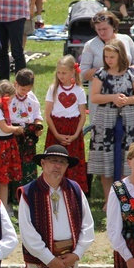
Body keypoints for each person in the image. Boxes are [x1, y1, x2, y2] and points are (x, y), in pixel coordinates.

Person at [88, 40, 134, 204]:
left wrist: (127, 100)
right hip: (105, 118)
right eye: (106, 57)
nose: (108, 60)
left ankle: (124, 198)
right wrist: (112, 98)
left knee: (127, 158)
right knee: (106, 160)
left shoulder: (131, 73)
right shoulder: (101, 73)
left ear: (120, 56)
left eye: (112, 57)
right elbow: (94, 97)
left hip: (128, 117)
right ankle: (109, 199)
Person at [79, 11, 134, 121]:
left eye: (105, 29)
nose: (102, 32)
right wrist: (107, 71)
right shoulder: (90, 45)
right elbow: (84, 72)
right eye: (99, 29)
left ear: (113, 26)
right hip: (101, 96)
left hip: (125, 94)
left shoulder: (126, 39)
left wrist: (125, 71)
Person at [44, 55, 88, 192]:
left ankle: (72, 191)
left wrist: (75, 135)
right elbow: (47, 114)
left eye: (64, 73)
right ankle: (52, 187)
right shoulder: (53, 89)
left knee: (72, 161)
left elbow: (82, 115)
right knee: (54, 160)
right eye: (58, 72)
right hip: (56, 127)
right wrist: (56, 134)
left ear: (72, 72)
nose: (61, 76)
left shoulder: (79, 91)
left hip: (73, 129)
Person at [0, 79, 24, 208]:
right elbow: (5, 128)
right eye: (11, 99)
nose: (11, 102)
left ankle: (3, 208)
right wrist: (17, 129)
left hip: (7, 145)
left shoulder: (3, 108)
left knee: (4, 181)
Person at [11, 68, 45, 191]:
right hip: (14, 133)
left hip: (29, 136)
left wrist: (38, 125)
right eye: (22, 89)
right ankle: (13, 194)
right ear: (16, 84)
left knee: (29, 163)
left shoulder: (31, 98)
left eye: (28, 90)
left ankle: (28, 191)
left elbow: (37, 114)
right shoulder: (10, 98)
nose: (25, 92)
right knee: (14, 163)